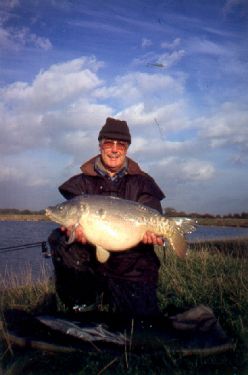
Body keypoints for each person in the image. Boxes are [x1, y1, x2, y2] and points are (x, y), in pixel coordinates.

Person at [48, 117, 165, 319]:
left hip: (131, 264)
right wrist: (74, 234)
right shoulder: (80, 184)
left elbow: (155, 216)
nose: (114, 149)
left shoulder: (144, 183)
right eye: (109, 143)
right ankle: (83, 302)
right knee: (59, 238)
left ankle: (120, 295)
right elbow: (69, 220)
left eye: (121, 144)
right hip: (91, 262)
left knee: (139, 320)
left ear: (127, 148)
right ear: (100, 145)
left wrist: (156, 235)